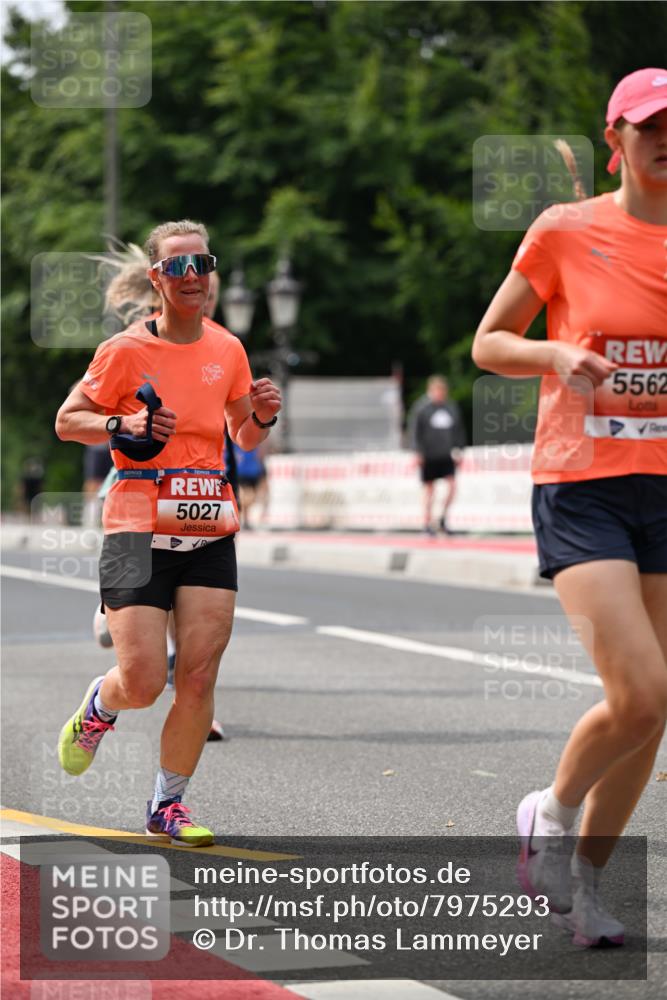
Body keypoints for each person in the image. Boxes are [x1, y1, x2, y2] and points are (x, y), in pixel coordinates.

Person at [472, 68, 667, 946]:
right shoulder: (565, 229)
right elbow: (488, 343)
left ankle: (584, 885)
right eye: (648, 125)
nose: (663, 140)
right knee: (642, 690)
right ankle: (548, 814)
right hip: (582, 482)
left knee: (651, 713)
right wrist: (553, 356)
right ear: (614, 139)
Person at [55, 220, 281, 845]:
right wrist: (121, 425)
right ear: (156, 278)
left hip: (208, 526)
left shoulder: (228, 350)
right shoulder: (124, 351)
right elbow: (68, 420)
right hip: (134, 529)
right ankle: (99, 708)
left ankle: (167, 804)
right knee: (144, 681)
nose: (193, 277)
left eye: (202, 264)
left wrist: (262, 416)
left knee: (199, 676)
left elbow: (244, 436)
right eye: (178, 266)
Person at [407, 375, 466, 535]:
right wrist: (417, 452)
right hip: (428, 454)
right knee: (429, 489)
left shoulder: (450, 408)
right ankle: (427, 522)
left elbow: (458, 430)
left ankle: (443, 519)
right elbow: (414, 431)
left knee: (452, 486)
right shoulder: (422, 408)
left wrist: (459, 449)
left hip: (445, 454)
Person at [233, 441, 269, 529]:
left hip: (254, 472)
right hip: (243, 473)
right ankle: (244, 520)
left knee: (253, 498)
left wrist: (262, 470)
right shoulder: (235, 442)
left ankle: (245, 519)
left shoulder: (256, 442)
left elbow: (260, 455)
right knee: (246, 497)